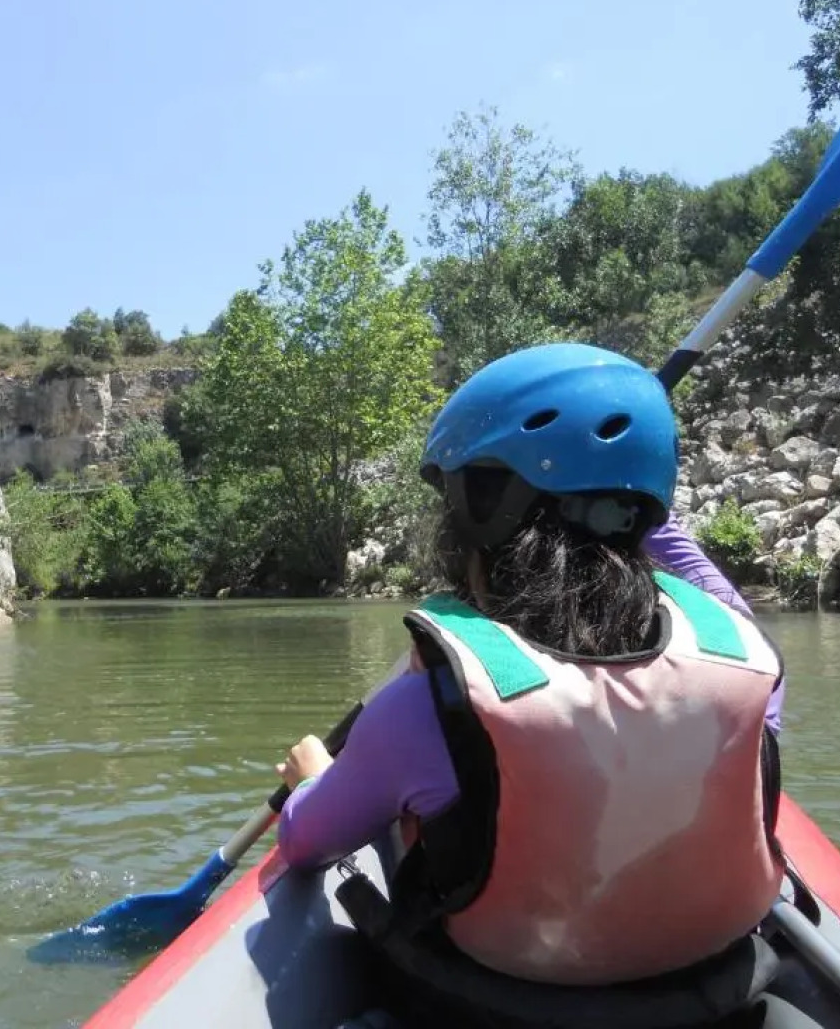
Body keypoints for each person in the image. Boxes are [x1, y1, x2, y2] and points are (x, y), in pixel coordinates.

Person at [275, 342, 785, 992]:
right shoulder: (745, 665)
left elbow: (305, 844)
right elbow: (724, 605)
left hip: (508, 995)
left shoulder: (429, 707)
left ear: (479, 513)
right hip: (714, 979)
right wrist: (634, 493)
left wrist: (315, 778)